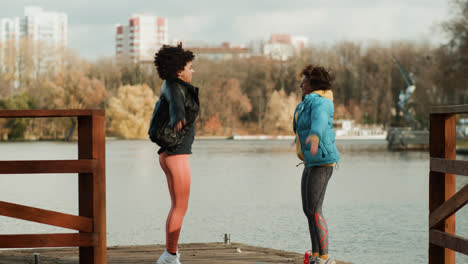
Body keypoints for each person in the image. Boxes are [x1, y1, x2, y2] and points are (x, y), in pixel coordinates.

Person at [150, 43, 199, 264]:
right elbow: (176, 105)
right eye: (190, 67)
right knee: (180, 207)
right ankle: (169, 256)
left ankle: (171, 254)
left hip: (172, 154)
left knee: (177, 206)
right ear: (179, 70)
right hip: (176, 154)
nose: (193, 71)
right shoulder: (174, 87)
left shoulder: (171, 85)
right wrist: (178, 116)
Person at [293, 65, 340, 264]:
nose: (301, 84)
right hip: (311, 161)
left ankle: (325, 257)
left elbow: (319, 121)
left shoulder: (322, 102)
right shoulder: (308, 102)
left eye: (304, 80)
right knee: (307, 209)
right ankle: (315, 255)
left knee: (315, 209)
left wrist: (315, 135)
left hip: (322, 161)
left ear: (312, 84)